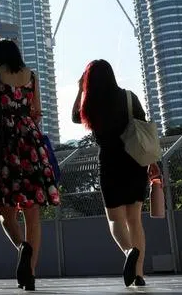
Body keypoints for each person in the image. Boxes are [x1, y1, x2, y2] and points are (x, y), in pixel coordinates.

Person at [71, 59, 159, 287]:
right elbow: (143, 129)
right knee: (135, 220)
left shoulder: (91, 104)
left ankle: (129, 251)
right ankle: (139, 275)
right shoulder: (129, 97)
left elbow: (74, 117)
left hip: (110, 164)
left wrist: (80, 89)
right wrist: (152, 162)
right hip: (135, 162)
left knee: (115, 219)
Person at [0, 39, 61, 291]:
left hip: (5, 144)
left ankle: (21, 246)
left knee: (5, 212)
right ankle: (30, 275)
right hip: (30, 143)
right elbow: (37, 112)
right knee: (32, 214)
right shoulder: (32, 76)